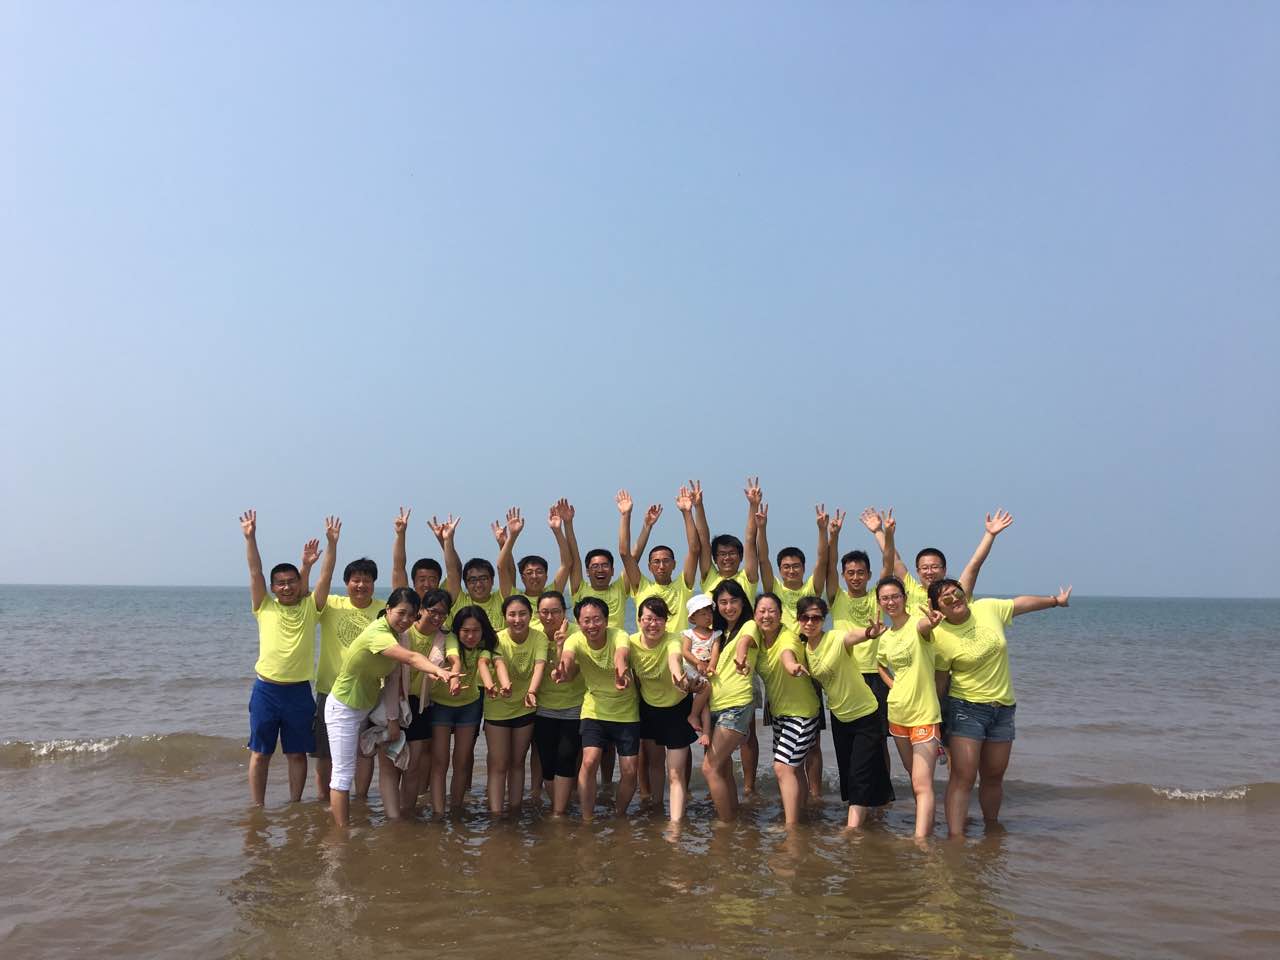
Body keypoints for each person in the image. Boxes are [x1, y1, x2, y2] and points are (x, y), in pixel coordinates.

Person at [928, 578, 1072, 837]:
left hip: (1003, 708)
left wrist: (1054, 601)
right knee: (963, 776)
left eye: (956, 592)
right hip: (966, 708)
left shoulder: (987, 608)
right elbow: (940, 683)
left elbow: (1020, 604)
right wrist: (936, 720)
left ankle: (991, 831)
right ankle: (956, 839)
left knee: (994, 775)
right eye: (946, 598)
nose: (954, 599)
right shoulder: (940, 637)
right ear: (938, 607)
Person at [322, 587, 457, 827]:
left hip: (366, 705)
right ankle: (342, 834)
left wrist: (393, 718)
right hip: (344, 707)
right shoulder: (379, 633)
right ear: (388, 610)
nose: (405, 620)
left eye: (411, 615)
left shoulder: (398, 635)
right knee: (343, 773)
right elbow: (411, 658)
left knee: (360, 764)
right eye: (401, 613)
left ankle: (354, 820)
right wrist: (439, 670)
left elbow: (393, 678)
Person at [239, 509, 333, 805]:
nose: (286, 587)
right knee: (260, 753)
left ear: (298, 583)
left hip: (298, 692)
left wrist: (331, 545)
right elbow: (255, 571)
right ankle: (257, 807)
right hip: (266, 690)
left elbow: (326, 577)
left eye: (292, 581)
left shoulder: (310, 608)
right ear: (272, 588)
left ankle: (294, 806)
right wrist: (250, 538)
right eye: (280, 583)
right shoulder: (264, 606)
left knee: (297, 753)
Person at [794, 595, 894, 829]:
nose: (810, 622)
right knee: (852, 773)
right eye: (805, 617)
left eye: (816, 618)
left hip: (865, 713)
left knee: (860, 772)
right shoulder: (804, 649)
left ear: (824, 619)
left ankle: (851, 830)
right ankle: (875, 819)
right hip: (839, 717)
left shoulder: (835, 638)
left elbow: (853, 636)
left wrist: (870, 633)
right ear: (798, 620)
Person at [757, 500, 828, 800]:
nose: (790, 570)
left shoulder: (811, 590)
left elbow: (822, 561)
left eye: (795, 566)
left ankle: (815, 793)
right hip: (778, 675)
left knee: (813, 742)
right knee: (784, 736)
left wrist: (822, 531)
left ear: (802, 568)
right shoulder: (774, 590)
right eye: (786, 567)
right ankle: (794, 791)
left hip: (807, 667)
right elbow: (762, 559)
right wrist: (761, 528)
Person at [733, 593, 819, 825]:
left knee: (782, 767)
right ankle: (800, 814)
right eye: (761, 611)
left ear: (780, 615)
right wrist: (741, 659)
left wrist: (792, 667)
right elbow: (743, 643)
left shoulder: (787, 637)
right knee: (794, 768)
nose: (766, 615)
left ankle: (791, 828)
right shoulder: (759, 640)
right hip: (780, 714)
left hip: (801, 713)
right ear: (754, 615)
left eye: (772, 611)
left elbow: (787, 655)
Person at [553, 596, 639, 820]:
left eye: (597, 619)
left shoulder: (619, 635)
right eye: (586, 620)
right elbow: (568, 658)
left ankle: (619, 815)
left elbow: (621, 654)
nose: (592, 625)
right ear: (579, 623)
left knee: (630, 770)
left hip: (626, 711)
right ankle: (587, 818)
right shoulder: (575, 640)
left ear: (606, 620)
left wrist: (620, 672)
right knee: (589, 761)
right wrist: (562, 669)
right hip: (594, 710)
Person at [874, 576, 945, 838]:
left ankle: (921, 841)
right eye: (885, 598)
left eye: (895, 596)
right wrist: (893, 685)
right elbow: (880, 664)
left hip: (924, 713)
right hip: (897, 714)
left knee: (921, 782)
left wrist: (932, 621)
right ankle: (926, 826)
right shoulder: (885, 637)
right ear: (879, 603)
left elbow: (926, 626)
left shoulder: (918, 624)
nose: (890, 602)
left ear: (904, 598)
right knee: (914, 777)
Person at [312, 554, 386, 802]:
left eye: (367, 580)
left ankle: (361, 800)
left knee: (365, 750)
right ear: (346, 583)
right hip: (330, 691)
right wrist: (331, 547)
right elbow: (321, 582)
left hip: (370, 692)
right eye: (356, 580)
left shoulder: (383, 611)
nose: (361, 585)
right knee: (326, 752)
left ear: (374, 583)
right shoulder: (332, 604)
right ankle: (325, 800)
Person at [859, 506, 1015, 608]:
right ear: (918, 571)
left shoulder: (955, 593)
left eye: (934, 567)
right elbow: (894, 559)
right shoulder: (910, 589)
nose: (929, 572)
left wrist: (990, 535)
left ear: (944, 570)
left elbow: (974, 565)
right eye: (924, 568)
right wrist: (879, 531)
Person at [628, 597, 696, 822]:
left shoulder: (673, 640)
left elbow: (674, 659)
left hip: (677, 709)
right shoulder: (631, 643)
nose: (653, 624)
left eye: (658, 619)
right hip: (649, 709)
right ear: (639, 620)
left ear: (666, 622)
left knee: (675, 772)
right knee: (655, 765)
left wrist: (678, 677)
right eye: (648, 618)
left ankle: (675, 825)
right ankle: (657, 809)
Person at [479, 594, 547, 816]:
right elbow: (488, 662)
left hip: (525, 706)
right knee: (499, 764)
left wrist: (532, 691)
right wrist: (493, 684)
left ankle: (515, 811)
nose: (517, 620)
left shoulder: (539, 638)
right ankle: (496, 815)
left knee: (518, 762)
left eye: (522, 614)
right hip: (497, 708)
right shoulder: (496, 639)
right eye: (512, 615)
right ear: (504, 617)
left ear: (531, 615)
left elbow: (539, 666)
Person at [427, 605, 495, 816]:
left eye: (476, 631)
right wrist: (454, 680)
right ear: (458, 630)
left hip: (469, 706)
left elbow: (483, 665)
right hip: (441, 705)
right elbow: (454, 659)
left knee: (462, 761)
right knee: (440, 762)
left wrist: (490, 685)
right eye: (466, 631)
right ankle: (439, 813)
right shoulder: (451, 639)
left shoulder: (485, 646)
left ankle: (456, 811)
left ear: (483, 631)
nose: (471, 636)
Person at [701, 579, 758, 821]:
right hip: (715, 705)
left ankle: (725, 825)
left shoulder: (749, 626)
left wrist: (741, 657)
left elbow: (745, 643)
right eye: (723, 602)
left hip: (736, 705)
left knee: (709, 767)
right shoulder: (720, 634)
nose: (728, 607)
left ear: (743, 602)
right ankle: (733, 815)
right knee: (723, 768)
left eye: (733, 601)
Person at [621, 484, 709, 634]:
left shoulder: (683, 585)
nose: (661, 566)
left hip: (677, 647)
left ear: (674, 564)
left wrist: (687, 512)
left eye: (666, 561)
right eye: (656, 562)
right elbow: (625, 554)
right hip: (647, 647)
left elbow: (694, 549)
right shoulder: (642, 587)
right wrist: (627, 516)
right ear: (649, 567)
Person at [399, 588, 451, 815]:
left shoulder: (443, 637)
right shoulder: (404, 631)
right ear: (421, 609)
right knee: (393, 765)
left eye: (443, 613)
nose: (438, 617)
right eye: (433, 611)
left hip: (421, 705)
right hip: (395, 700)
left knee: (413, 765)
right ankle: (391, 813)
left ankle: (407, 813)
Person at [532, 590, 584, 815]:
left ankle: (558, 813)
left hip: (573, 706)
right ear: (537, 613)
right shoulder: (533, 632)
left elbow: (567, 675)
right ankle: (559, 806)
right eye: (544, 612)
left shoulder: (577, 634)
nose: (549, 617)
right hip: (543, 708)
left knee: (566, 759)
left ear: (564, 612)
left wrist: (561, 645)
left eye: (555, 611)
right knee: (547, 763)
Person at [564, 494, 632, 629]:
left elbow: (629, 556)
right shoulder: (579, 589)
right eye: (595, 566)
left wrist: (626, 516)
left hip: (614, 641)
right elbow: (574, 558)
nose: (600, 570)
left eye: (605, 565)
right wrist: (567, 524)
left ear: (612, 571)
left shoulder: (620, 588)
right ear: (587, 571)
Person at [434, 514, 507, 629]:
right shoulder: (459, 600)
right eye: (472, 580)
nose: (478, 584)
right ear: (465, 584)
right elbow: (453, 570)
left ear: (492, 580)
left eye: (483, 578)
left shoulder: (501, 599)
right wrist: (448, 540)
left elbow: (504, 569)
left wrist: (504, 544)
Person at [700, 477, 760, 600]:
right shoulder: (710, 577)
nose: (727, 558)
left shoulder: (747, 578)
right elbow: (703, 541)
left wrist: (754, 505)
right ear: (715, 559)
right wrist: (698, 506)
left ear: (741, 556)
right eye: (722, 554)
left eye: (732, 553)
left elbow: (750, 540)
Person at [680, 594, 721, 747]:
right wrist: (697, 663)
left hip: (705, 671)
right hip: (690, 669)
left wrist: (711, 666)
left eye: (710, 613)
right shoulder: (689, 634)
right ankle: (693, 715)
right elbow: (685, 652)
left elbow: (715, 653)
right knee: (706, 688)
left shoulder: (715, 634)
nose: (708, 617)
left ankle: (705, 733)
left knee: (705, 704)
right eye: (703, 614)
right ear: (693, 618)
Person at [390, 507, 444, 597]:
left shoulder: (444, 602)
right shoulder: (407, 602)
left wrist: (445, 541)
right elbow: (398, 568)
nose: (427, 585)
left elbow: (454, 571)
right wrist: (400, 534)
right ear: (414, 583)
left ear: (439, 583)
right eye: (422, 580)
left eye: (432, 580)